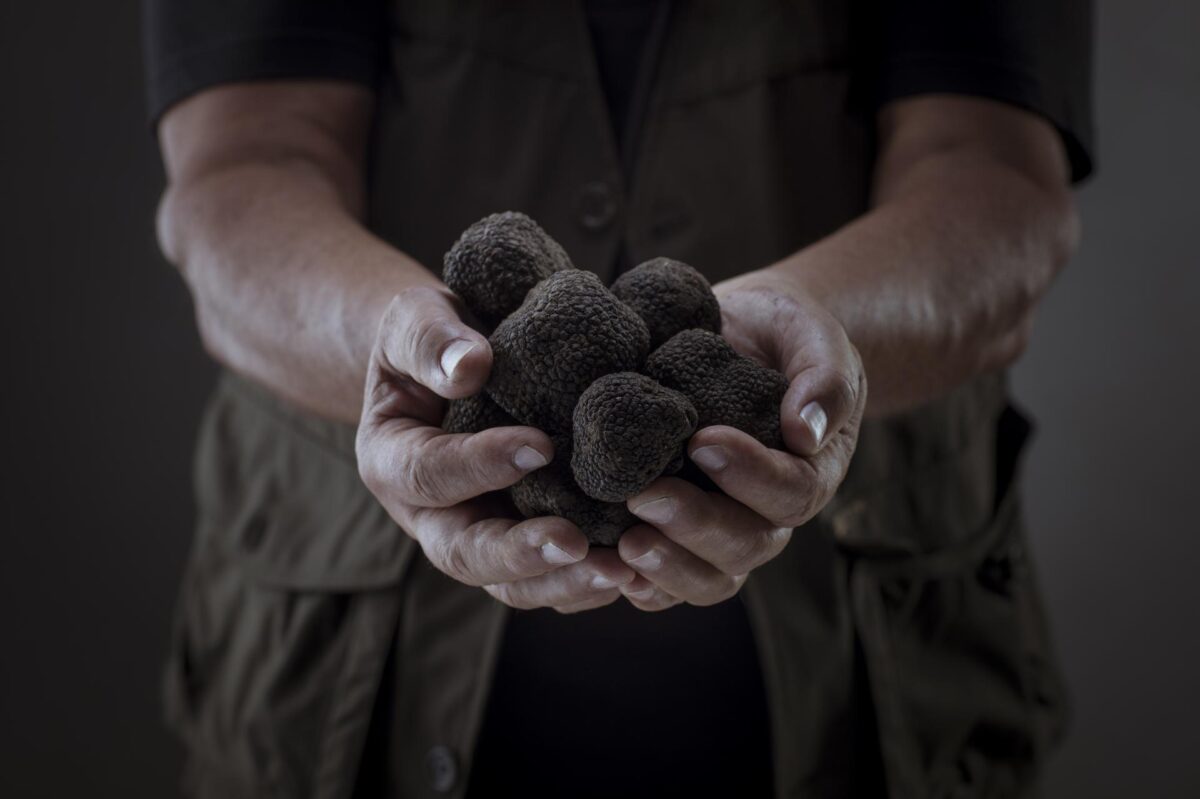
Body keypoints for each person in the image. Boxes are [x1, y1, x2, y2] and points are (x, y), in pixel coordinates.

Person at [145, 0, 1093, 796]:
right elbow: (241, 170)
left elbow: (995, 176)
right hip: (341, 698)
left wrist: (820, 324)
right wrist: (397, 346)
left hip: (866, 689)